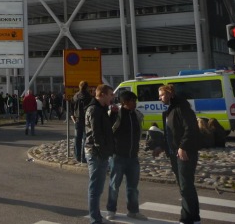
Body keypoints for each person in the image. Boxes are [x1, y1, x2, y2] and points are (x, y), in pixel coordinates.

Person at [153, 84, 201, 224]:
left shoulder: (181, 108)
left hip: (185, 153)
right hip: (174, 153)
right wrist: (162, 147)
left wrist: (183, 147)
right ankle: (193, 217)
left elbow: (191, 128)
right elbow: (171, 133)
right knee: (184, 186)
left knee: (186, 186)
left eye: (161, 94)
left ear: (170, 94)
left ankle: (187, 218)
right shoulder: (170, 110)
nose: (159, 97)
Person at [105, 90, 147, 221]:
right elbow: (109, 129)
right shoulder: (116, 114)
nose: (135, 103)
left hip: (133, 156)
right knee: (114, 185)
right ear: (125, 102)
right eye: (132, 101)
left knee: (133, 187)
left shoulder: (136, 115)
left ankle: (133, 211)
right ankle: (111, 210)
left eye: (135, 101)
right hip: (118, 156)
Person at [85, 84, 115, 224]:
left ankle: (96, 217)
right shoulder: (94, 110)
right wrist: (103, 152)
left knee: (97, 187)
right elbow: (96, 134)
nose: (112, 97)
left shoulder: (101, 109)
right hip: (96, 153)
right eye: (110, 94)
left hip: (100, 152)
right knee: (95, 188)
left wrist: (113, 115)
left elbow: (107, 129)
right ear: (102, 94)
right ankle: (95, 219)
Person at [72, 81, 93, 163]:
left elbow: (72, 107)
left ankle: (77, 156)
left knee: (77, 138)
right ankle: (83, 157)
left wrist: (73, 115)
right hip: (85, 119)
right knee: (85, 138)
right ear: (87, 87)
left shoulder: (75, 96)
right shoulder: (88, 96)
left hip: (77, 119)